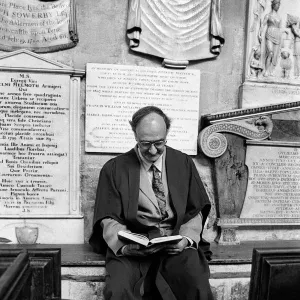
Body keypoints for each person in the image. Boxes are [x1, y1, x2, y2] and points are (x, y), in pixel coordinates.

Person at [89, 106, 213, 300]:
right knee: (118, 288)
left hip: (174, 243)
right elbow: (108, 216)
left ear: (166, 135)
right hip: (133, 246)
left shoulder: (183, 163)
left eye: (159, 143)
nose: (153, 150)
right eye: (145, 143)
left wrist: (185, 239)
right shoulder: (114, 168)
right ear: (135, 135)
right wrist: (124, 246)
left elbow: (195, 210)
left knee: (196, 283)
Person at [259, 0, 282, 77]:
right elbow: (263, 25)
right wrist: (259, 34)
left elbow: (280, 28)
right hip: (269, 33)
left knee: (275, 55)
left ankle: (271, 70)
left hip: (277, 35)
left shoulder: (279, 17)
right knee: (270, 52)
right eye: (277, 4)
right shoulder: (268, 15)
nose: (278, 6)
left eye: (279, 4)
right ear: (273, 5)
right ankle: (266, 70)